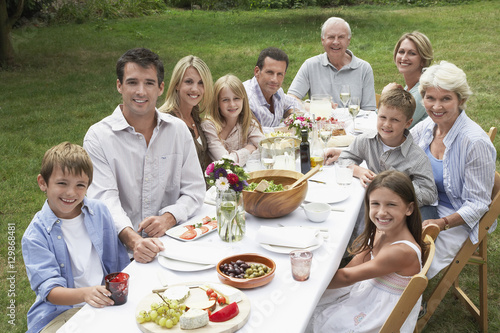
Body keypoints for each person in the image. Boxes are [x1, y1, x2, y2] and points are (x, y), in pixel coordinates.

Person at [83, 48, 205, 263]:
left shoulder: (178, 131)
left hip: (173, 244)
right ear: (119, 85)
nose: (141, 91)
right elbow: (104, 201)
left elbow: (194, 190)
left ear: (160, 88)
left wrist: (169, 217)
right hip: (120, 253)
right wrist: (135, 241)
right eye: (132, 82)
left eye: (149, 83)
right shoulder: (98, 137)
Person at [22, 142, 130, 333]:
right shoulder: (35, 235)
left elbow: (119, 263)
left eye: (80, 185)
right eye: (62, 183)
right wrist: (86, 294)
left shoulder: (100, 211)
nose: (71, 193)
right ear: (43, 182)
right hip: (60, 313)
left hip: (105, 301)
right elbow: (51, 292)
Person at [308, 170, 425, 332]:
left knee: (315, 318)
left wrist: (309, 282)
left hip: (380, 313)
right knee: (312, 305)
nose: (381, 212)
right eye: (375, 203)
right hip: (367, 293)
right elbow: (354, 265)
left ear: (409, 208)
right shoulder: (381, 231)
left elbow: (347, 277)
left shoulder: (401, 251)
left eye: (391, 204)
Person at [411, 61, 496, 278]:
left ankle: (409, 301)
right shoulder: (426, 128)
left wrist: (441, 223)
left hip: (456, 217)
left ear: (461, 100)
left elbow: (478, 204)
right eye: (430, 98)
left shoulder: (475, 142)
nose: (436, 107)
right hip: (426, 204)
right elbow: (396, 148)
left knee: (408, 256)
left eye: (445, 99)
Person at [325, 88, 437, 208]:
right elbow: (345, 158)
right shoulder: (366, 140)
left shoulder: (417, 157)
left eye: (395, 120)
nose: (387, 124)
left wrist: (395, 185)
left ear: (408, 123)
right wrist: (359, 171)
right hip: (370, 204)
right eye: (383, 117)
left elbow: (429, 194)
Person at [288, 17, 376, 111]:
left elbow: (369, 111)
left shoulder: (364, 68)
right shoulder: (310, 65)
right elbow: (290, 100)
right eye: (331, 37)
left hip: (354, 124)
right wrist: (315, 106)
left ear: (348, 40)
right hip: (321, 124)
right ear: (323, 40)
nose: (336, 42)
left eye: (341, 37)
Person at [158, 55, 214, 172]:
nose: (195, 89)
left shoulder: (195, 115)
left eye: (201, 83)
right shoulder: (165, 122)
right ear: (177, 84)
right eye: (189, 82)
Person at [201, 74, 264, 166]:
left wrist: (236, 157)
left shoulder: (248, 123)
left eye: (236, 98)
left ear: (243, 100)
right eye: (225, 100)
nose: (232, 104)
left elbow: (266, 149)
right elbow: (225, 163)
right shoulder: (209, 126)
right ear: (217, 102)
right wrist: (249, 149)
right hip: (219, 179)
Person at [382, 31, 433, 129]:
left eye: (412, 53)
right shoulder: (411, 87)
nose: (404, 58)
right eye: (401, 52)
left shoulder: (422, 92)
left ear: (423, 60)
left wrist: (385, 97)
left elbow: (390, 127)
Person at [243, 47, 301, 128]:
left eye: (279, 74)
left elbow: (294, 103)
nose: (275, 80)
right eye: (270, 72)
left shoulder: (278, 92)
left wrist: (291, 115)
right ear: (257, 71)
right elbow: (250, 132)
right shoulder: (245, 99)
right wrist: (285, 128)